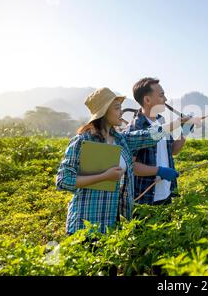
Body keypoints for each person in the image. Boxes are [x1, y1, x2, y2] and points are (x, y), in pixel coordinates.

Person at [56, 87, 187, 235]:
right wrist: (105, 176)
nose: (121, 112)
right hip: (85, 223)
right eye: (117, 108)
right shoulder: (82, 141)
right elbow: (63, 180)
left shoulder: (121, 139)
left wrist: (179, 123)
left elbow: (148, 135)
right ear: (104, 112)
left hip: (111, 224)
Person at [127, 77, 203, 205]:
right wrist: (159, 171)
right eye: (161, 95)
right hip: (145, 197)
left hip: (166, 193)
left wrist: (185, 130)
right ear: (147, 100)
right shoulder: (136, 127)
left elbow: (173, 150)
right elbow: (131, 166)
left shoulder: (161, 122)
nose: (166, 100)